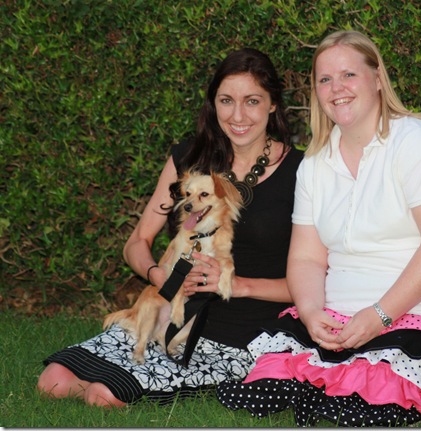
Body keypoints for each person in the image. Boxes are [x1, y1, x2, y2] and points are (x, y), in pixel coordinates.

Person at [215, 31, 421, 426]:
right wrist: (311, 312)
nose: (337, 89)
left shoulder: (420, 143)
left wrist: (379, 316)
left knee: (370, 399)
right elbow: (306, 257)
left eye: (348, 75)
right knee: (269, 385)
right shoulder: (316, 163)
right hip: (342, 315)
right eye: (325, 79)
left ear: (378, 78)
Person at [37, 48, 303, 407]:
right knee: (52, 381)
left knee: (105, 395)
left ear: (273, 104)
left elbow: (317, 283)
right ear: (213, 103)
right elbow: (137, 241)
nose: (238, 115)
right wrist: (158, 275)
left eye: (252, 101)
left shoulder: (303, 171)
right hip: (168, 319)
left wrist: (238, 285)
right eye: (226, 100)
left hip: (241, 337)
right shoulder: (189, 159)